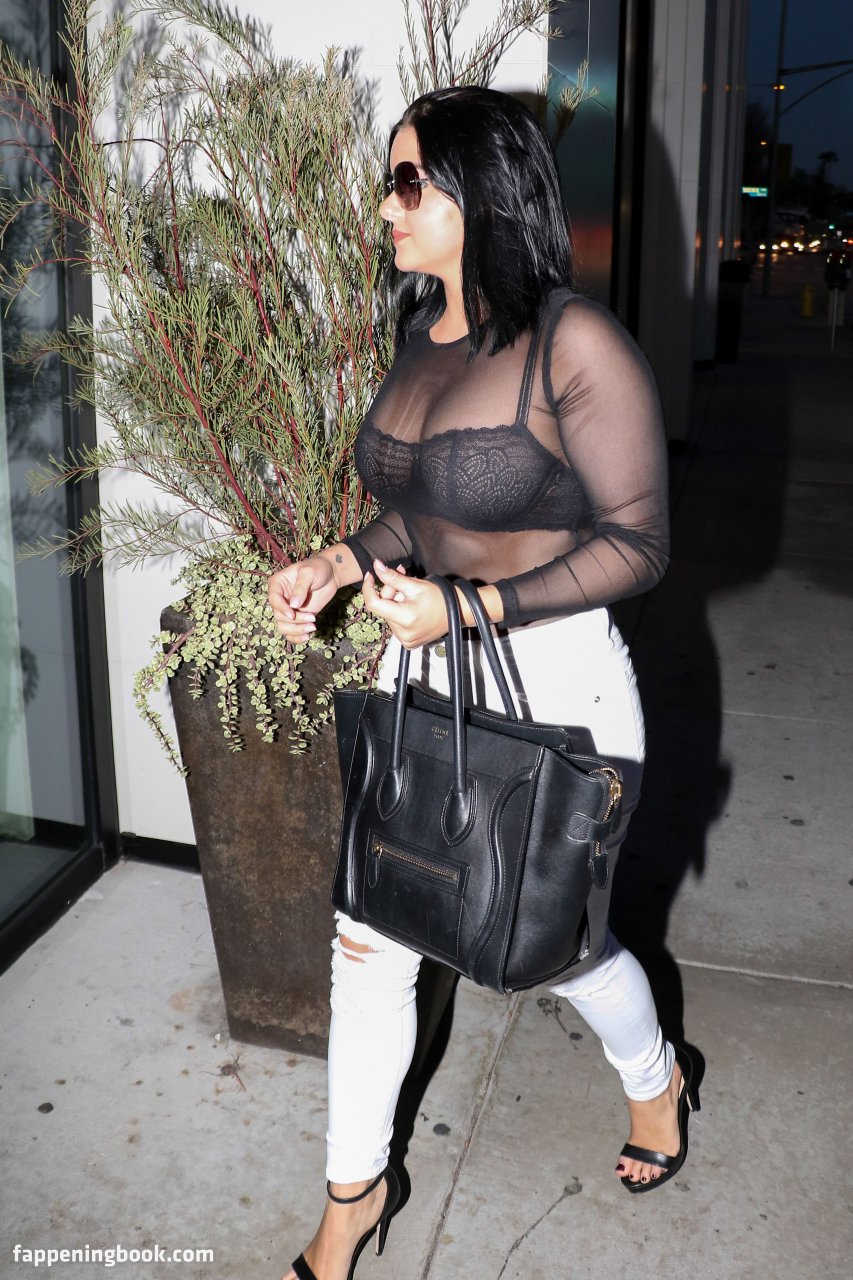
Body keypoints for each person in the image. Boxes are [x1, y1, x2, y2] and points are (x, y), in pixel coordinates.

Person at [268, 85, 697, 1280]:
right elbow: (423, 512)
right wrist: (339, 559)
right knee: (370, 937)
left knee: (554, 942)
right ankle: (352, 1192)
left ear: (483, 189)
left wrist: (475, 607)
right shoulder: (424, 333)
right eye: (390, 182)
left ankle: (654, 1076)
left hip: (556, 686)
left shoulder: (576, 343)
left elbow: (638, 544)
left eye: (411, 182)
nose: (388, 207)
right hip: (423, 671)